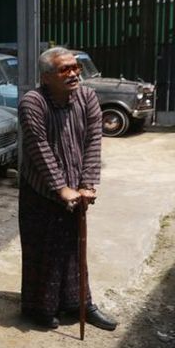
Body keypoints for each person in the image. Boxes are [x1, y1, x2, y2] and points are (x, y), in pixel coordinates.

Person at [17, 47, 118, 331]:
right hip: (39, 191)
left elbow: (93, 142)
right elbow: (39, 149)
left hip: (76, 185)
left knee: (74, 249)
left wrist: (87, 183)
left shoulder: (87, 97)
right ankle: (39, 309)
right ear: (47, 77)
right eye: (65, 69)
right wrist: (60, 188)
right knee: (43, 250)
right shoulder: (33, 102)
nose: (74, 74)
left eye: (76, 68)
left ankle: (80, 304)